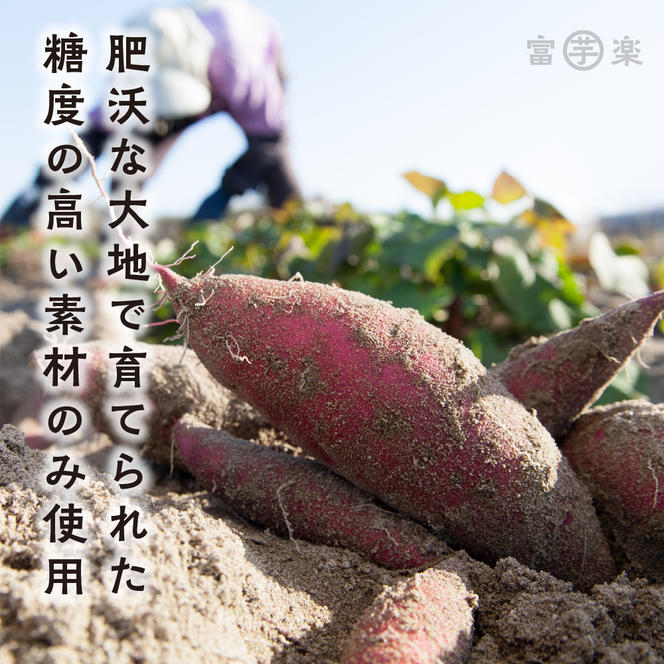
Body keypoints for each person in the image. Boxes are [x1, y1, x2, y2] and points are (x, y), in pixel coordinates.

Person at [1, 0, 301, 226]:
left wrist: (225, 192)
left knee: (274, 163)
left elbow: (269, 138)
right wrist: (37, 191)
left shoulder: (243, 70)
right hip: (188, 72)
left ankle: (300, 228)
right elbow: (94, 136)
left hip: (242, 61)